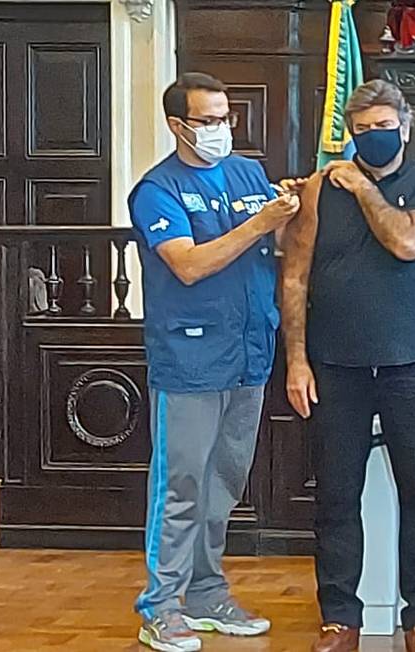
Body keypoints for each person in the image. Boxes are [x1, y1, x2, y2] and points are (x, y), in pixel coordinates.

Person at [129, 72, 300, 652]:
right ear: (177, 125)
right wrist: (259, 223)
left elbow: (277, 244)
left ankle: (206, 593)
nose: (220, 129)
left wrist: (290, 210)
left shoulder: (248, 173)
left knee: (224, 482)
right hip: (190, 357)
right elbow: (188, 264)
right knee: (180, 484)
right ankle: (162, 606)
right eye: (207, 120)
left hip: (249, 351)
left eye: (226, 118)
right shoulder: (157, 190)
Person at [282, 79, 415, 652]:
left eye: (383, 127)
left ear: (405, 126)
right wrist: (297, 360)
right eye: (361, 130)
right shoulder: (318, 189)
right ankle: (339, 618)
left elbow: (407, 243)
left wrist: (361, 187)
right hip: (335, 366)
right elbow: (295, 276)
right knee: (335, 497)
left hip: (413, 364)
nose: (372, 137)